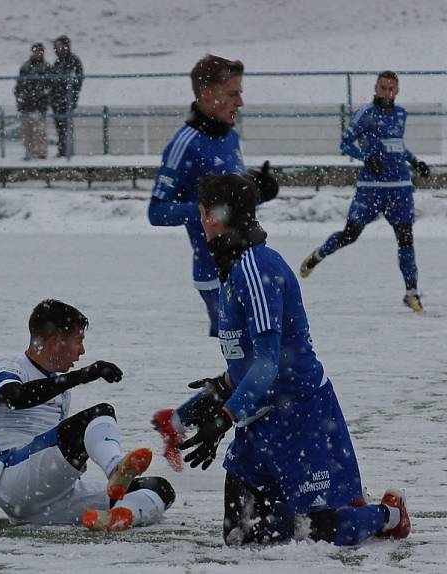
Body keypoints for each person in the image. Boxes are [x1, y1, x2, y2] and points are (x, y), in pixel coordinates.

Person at [176, 173, 410, 546]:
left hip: (298, 417)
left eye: (202, 212)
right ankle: (327, 505)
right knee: (240, 534)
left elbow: (268, 364)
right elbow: (246, 362)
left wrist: (224, 417)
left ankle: (387, 515)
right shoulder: (234, 268)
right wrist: (192, 410)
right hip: (257, 424)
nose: (199, 220)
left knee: (327, 532)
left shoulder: (257, 267)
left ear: (215, 216)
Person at [148, 55, 278, 471]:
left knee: (253, 359)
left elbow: (232, 195)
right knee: (257, 360)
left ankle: (178, 420)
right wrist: (210, 210)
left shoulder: (229, 137)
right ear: (206, 95)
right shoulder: (185, 143)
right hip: (215, 275)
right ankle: (254, 446)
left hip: (247, 266)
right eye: (232, 93)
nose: (240, 101)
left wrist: (256, 188)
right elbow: (157, 210)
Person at [0, 299, 175, 532]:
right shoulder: (7, 366)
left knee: (159, 488)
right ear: (55, 342)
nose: (82, 351)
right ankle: (115, 468)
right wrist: (83, 375)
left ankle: (122, 515)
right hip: (11, 476)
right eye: (78, 342)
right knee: (99, 414)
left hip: (50, 501)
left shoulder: (59, 387)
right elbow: (10, 397)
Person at [299, 71, 430, 312]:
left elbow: (397, 145)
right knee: (351, 234)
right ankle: (318, 255)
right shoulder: (366, 114)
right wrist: (366, 158)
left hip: (399, 187)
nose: (387, 92)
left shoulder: (401, 114)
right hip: (371, 189)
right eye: (383, 88)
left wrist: (415, 161)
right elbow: (345, 143)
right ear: (376, 88)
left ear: (397, 91)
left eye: (391, 88)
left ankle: (411, 292)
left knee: (405, 238)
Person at [14, 42, 51, 160]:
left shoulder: (46, 67)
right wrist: (20, 97)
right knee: (27, 130)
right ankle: (29, 151)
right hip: (26, 104)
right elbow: (19, 85)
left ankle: (41, 152)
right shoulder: (25, 67)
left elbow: (49, 86)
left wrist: (43, 97)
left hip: (39, 104)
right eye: (35, 51)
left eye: (39, 51)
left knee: (39, 130)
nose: (37, 53)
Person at [49, 35, 83, 158]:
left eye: (61, 45)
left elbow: (78, 80)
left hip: (67, 100)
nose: (60, 48)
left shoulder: (73, 61)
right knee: (59, 127)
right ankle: (62, 150)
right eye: (57, 46)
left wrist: (72, 97)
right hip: (56, 100)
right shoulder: (57, 63)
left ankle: (67, 151)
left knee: (66, 127)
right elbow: (52, 81)